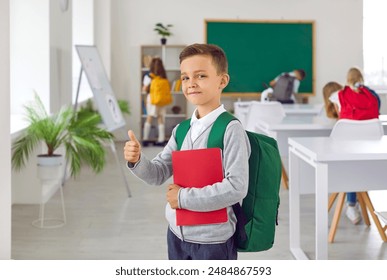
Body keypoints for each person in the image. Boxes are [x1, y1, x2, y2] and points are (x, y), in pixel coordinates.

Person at [124, 43, 251, 260]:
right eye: (185, 77)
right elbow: (158, 173)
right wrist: (137, 160)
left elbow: (236, 187)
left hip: (214, 240)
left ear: (222, 81)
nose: (191, 83)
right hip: (176, 234)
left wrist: (182, 198)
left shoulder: (231, 129)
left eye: (200, 76)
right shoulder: (181, 130)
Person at [328, 67, 380, 224]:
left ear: (347, 79)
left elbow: (338, 116)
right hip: (371, 149)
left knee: (348, 165)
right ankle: (354, 203)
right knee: (358, 165)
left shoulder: (338, 95)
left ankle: (351, 205)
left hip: (346, 147)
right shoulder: (373, 95)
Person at [142, 57, 169, 146]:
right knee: (160, 118)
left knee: (149, 117)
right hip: (161, 100)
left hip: (152, 99)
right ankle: (161, 140)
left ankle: (145, 139)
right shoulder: (164, 76)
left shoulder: (149, 76)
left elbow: (144, 89)